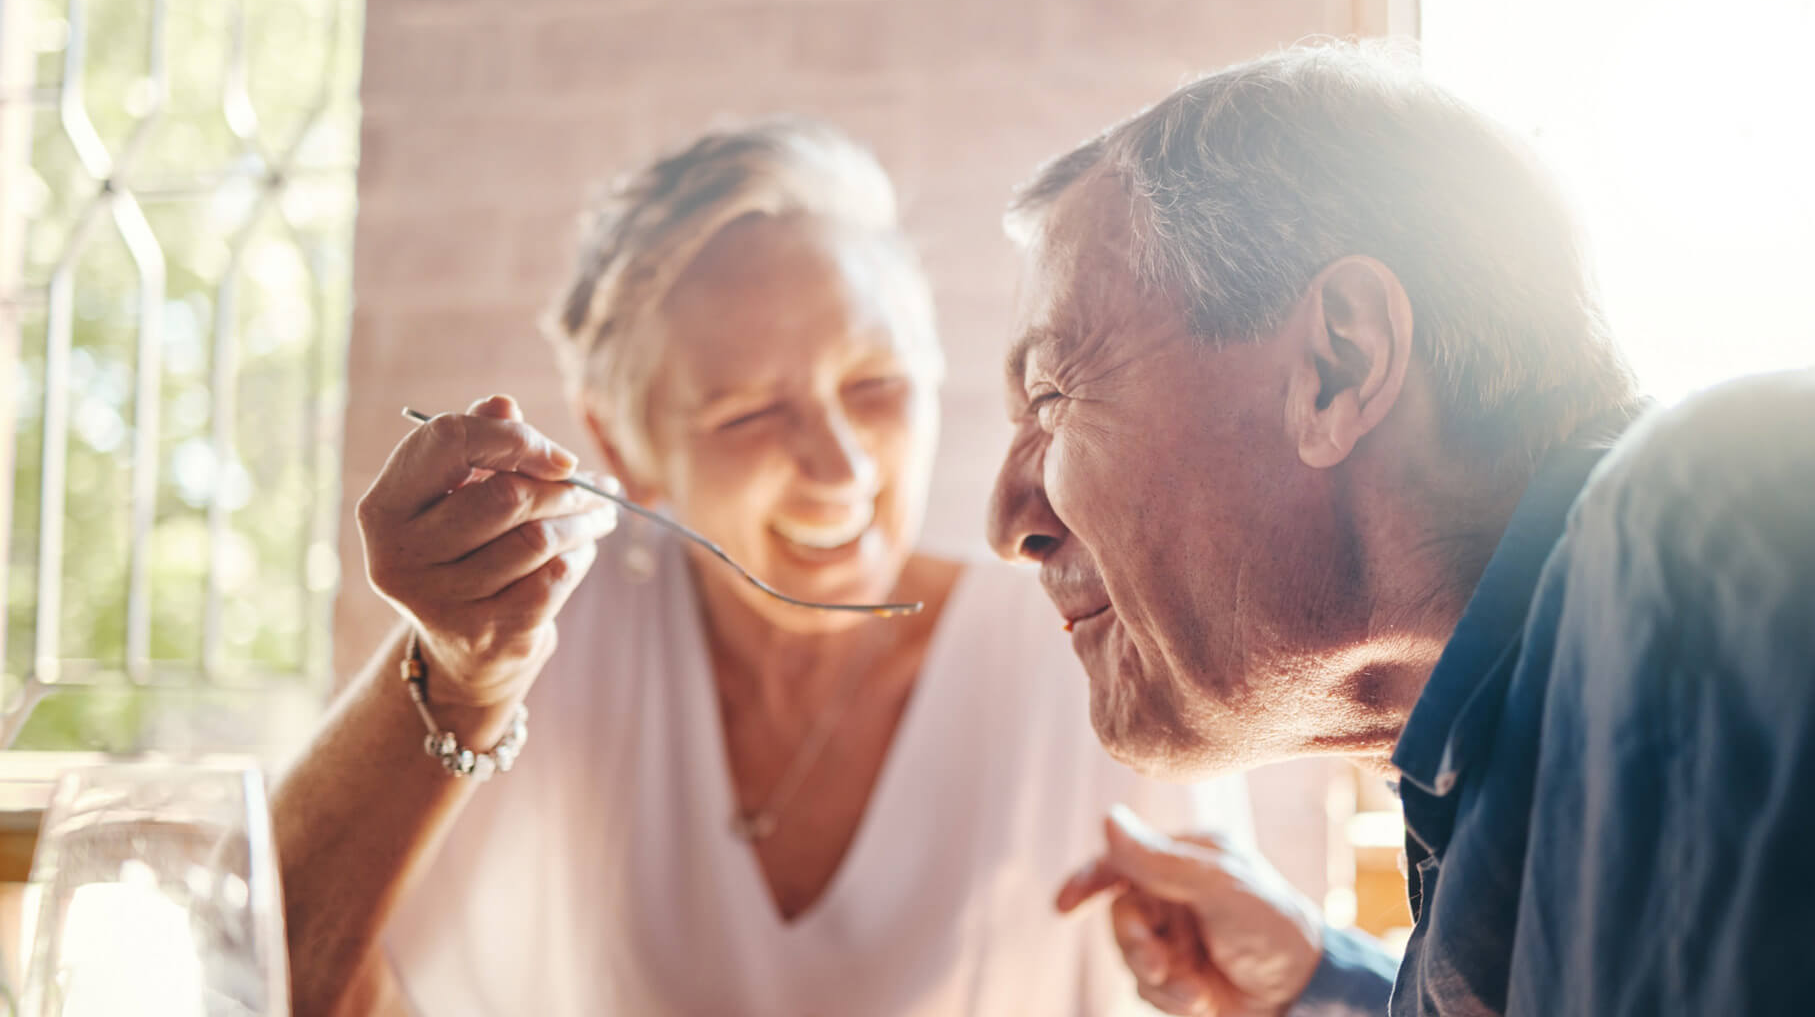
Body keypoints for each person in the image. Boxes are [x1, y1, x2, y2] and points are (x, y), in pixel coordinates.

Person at [989, 44, 1815, 1016]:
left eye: (1051, 395)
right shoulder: (1509, 775)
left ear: (1340, 364)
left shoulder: (1721, 550)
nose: (1008, 523)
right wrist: (1315, 984)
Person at [272, 118, 1253, 1016]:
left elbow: (1236, 981)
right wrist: (461, 670)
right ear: (622, 444)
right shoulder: (543, 625)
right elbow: (283, 964)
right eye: (748, 414)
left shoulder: (1089, 653)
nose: (841, 467)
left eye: (876, 384)